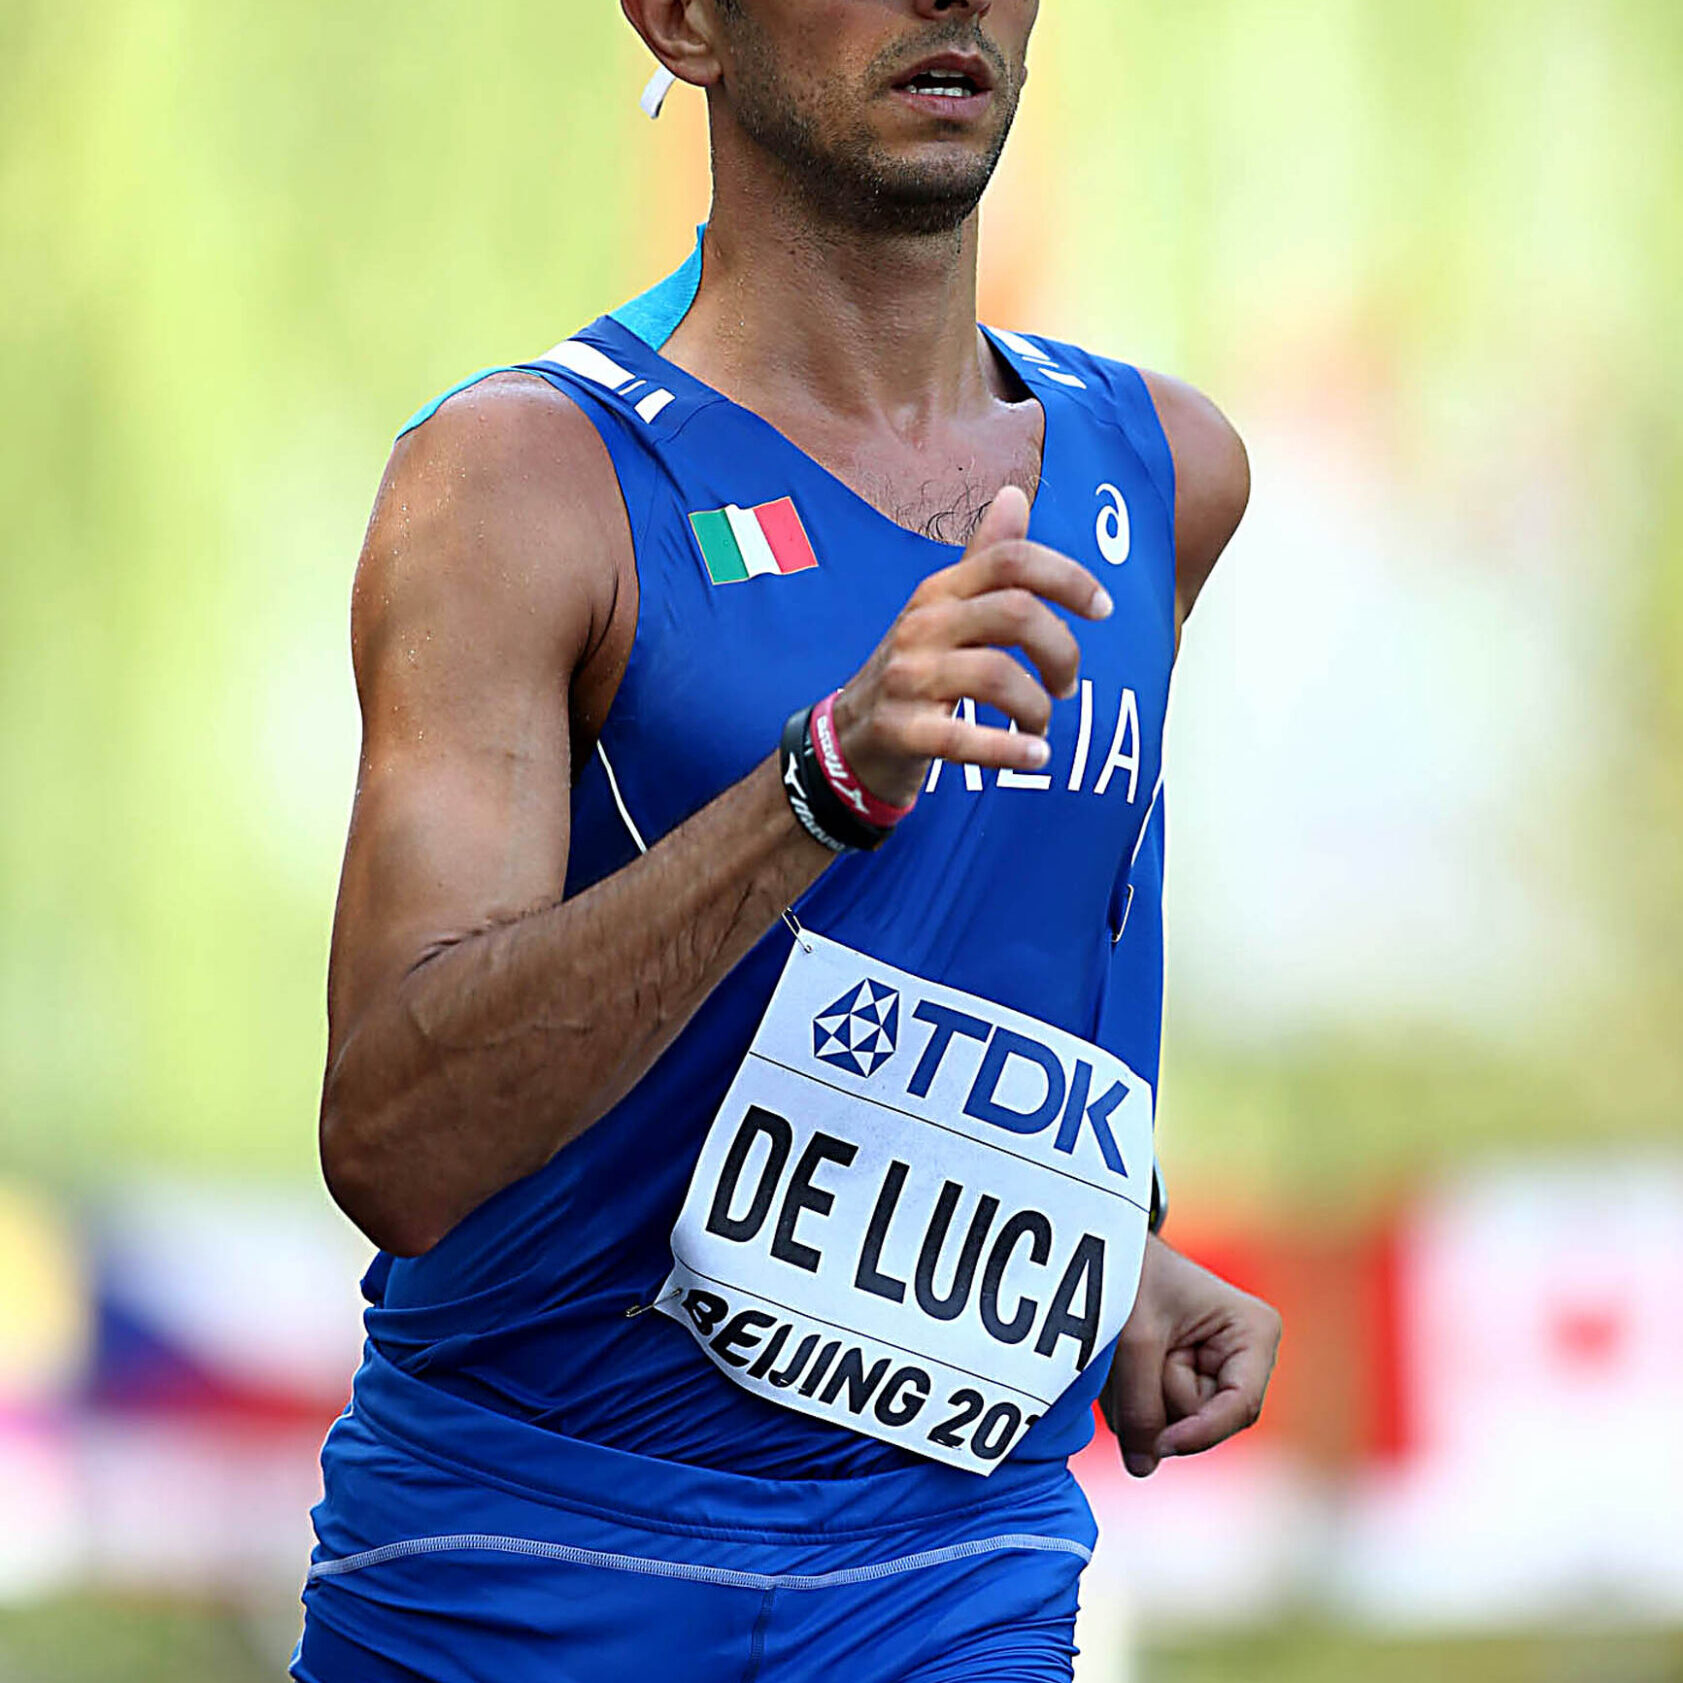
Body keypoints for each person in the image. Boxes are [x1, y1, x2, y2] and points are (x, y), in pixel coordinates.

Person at [293, 2, 1282, 1679]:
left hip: (950, 1572)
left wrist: (1106, 1254)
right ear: (686, 23)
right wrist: (814, 784)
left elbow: (960, 962)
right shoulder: (522, 483)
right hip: (526, 1554)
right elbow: (395, 1141)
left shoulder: (1163, 471)